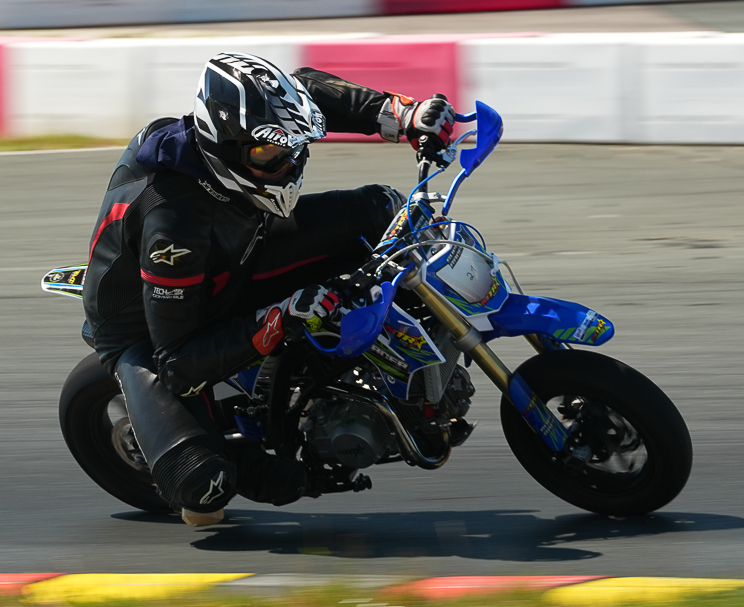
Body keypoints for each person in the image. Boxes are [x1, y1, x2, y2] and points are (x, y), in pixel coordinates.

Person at [81, 52, 460, 526]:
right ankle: (243, 458)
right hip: (152, 327)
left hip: (237, 254)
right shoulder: (174, 227)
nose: (288, 163)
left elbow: (307, 90)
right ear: (226, 146)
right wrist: (281, 316)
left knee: (380, 211)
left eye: (293, 149)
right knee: (205, 491)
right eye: (268, 155)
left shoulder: (236, 151)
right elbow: (178, 362)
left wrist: (404, 114)